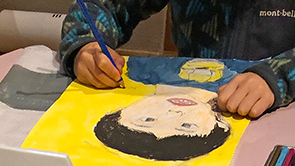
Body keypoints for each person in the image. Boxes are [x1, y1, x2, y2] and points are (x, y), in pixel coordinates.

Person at [60, 1, 295, 118]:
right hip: (187, 106)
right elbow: (104, 4)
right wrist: (85, 45)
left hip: (277, 118)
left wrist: (278, 76)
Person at [93, 86, 230, 160]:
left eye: (148, 120)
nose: (174, 113)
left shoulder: (141, 73)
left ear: (122, 111)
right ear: (220, 124)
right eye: (186, 126)